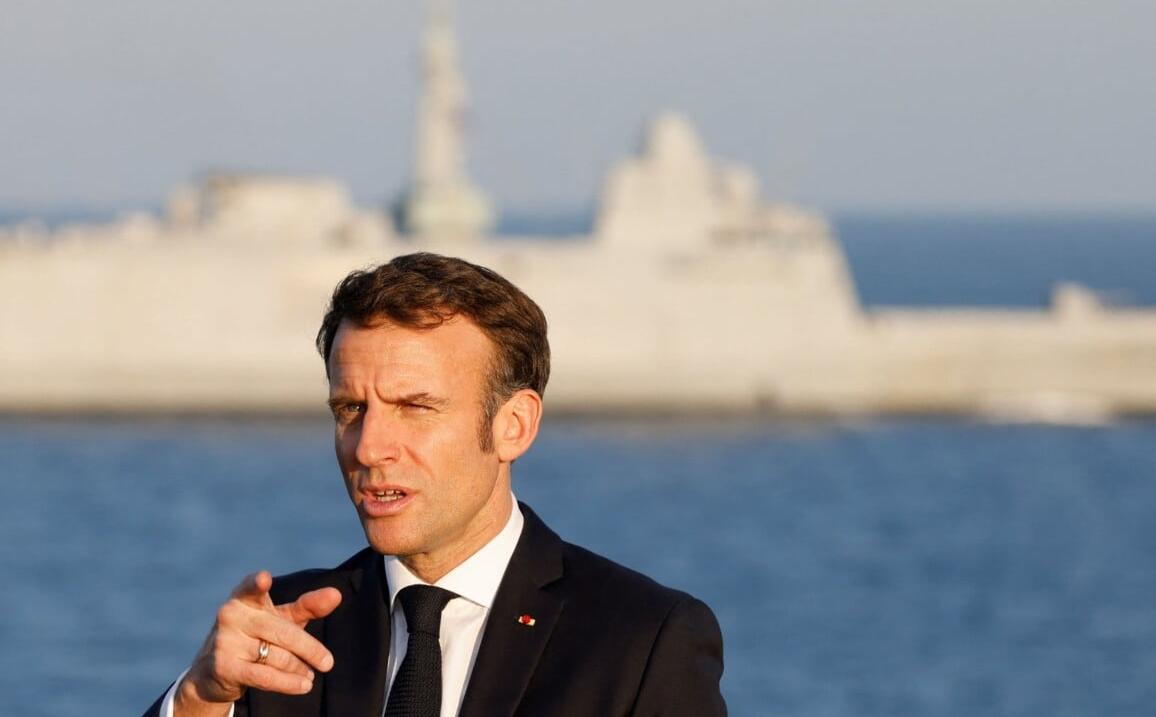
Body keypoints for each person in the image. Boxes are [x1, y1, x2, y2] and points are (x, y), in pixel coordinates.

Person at [144, 252, 727, 717]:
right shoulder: (282, 633)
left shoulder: (644, 640)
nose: (368, 447)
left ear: (513, 426)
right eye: (350, 409)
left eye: (415, 407)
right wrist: (199, 700)